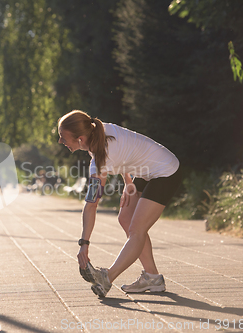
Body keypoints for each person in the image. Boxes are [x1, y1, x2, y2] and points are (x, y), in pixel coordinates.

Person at [57, 110, 181, 297]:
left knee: (136, 230)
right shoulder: (98, 131)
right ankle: (152, 277)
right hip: (146, 170)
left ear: (80, 139)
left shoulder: (99, 161)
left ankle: (107, 277)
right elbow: (123, 152)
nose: (60, 142)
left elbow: (91, 204)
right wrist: (128, 181)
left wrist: (84, 243)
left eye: (62, 137)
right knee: (125, 218)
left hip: (165, 171)